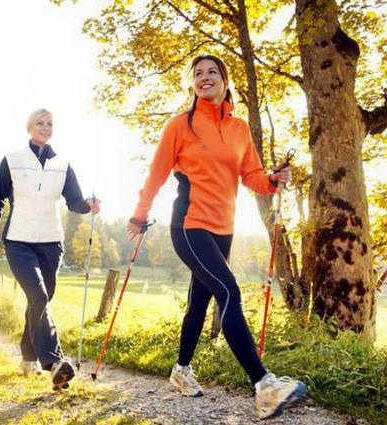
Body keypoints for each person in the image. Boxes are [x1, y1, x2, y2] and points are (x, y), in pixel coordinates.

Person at [127, 55, 305, 419]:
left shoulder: (238, 128)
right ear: (193, 84)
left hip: (224, 228)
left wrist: (272, 180)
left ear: (225, 81)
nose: (204, 77)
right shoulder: (181, 125)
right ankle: (264, 385)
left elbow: (252, 176)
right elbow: (156, 175)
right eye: (198, 74)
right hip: (189, 225)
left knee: (200, 302)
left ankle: (181, 369)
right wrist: (139, 215)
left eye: (212, 72)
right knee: (229, 292)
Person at [0, 108, 100, 390]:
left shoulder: (63, 164)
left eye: (49, 123)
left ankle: (28, 355)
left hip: (51, 242)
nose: (45, 127)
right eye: (40, 123)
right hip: (18, 240)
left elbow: (74, 202)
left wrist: (88, 205)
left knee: (41, 300)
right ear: (29, 127)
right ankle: (55, 363)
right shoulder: (12, 161)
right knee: (38, 294)